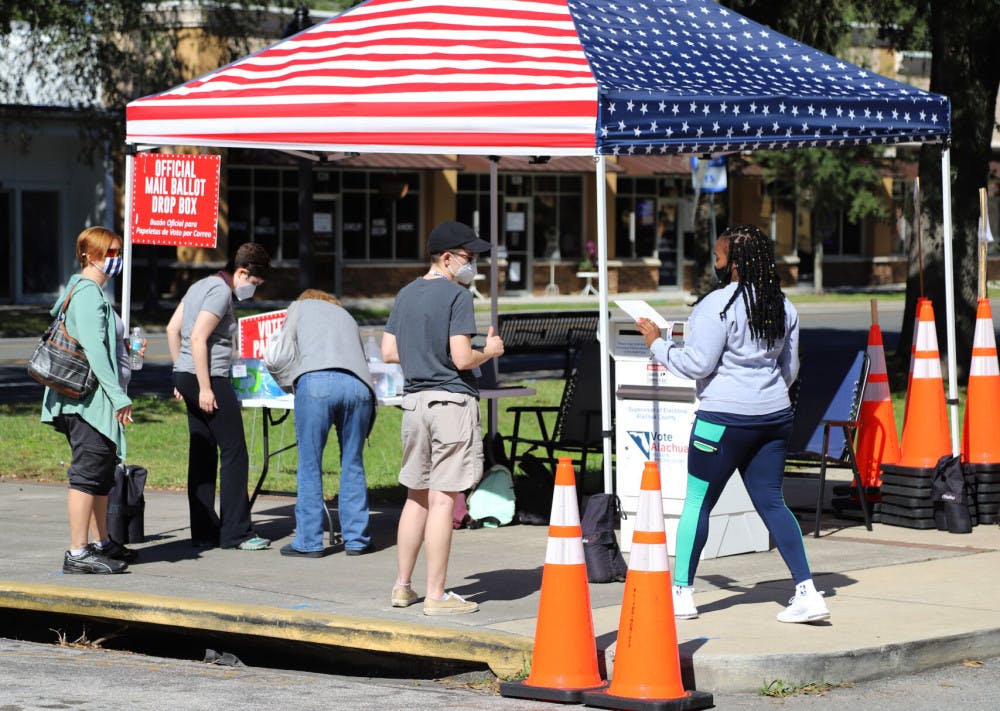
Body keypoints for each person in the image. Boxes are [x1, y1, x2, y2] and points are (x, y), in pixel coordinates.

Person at [635, 224, 829, 624]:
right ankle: (807, 591)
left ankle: (682, 593)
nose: (715, 264)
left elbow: (697, 364)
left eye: (719, 258)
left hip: (721, 421)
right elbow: (789, 369)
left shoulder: (716, 305)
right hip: (774, 417)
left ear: (736, 264)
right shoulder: (783, 306)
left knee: (697, 502)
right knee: (772, 502)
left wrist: (656, 342)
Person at [381, 221, 504, 616]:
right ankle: (436, 594)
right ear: (447, 258)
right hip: (451, 402)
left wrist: (422, 353)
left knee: (415, 495)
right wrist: (490, 350)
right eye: (469, 258)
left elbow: (388, 351)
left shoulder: (405, 293)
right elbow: (462, 358)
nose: (474, 265)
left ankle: (403, 586)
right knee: (442, 499)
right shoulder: (457, 296)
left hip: (414, 403)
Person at [42, 226, 137, 574]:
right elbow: (95, 351)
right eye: (111, 252)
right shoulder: (86, 295)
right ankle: (77, 553)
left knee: (100, 476)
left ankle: (100, 542)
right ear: (90, 256)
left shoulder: (93, 294)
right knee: (86, 476)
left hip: (92, 403)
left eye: (118, 252)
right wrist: (118, 397)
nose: (117, 259)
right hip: (87, 403)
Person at [166, 242, 271, 551]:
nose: (253, 290)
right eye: (253, 283)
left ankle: (204, 529)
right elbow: (198, 337)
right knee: (234, 451)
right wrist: (205, 387)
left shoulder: (199, 286)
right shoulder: (222, 292)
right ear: (241, 272)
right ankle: (236, 532)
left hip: (187, 374)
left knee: (203, 451)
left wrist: (179, 373)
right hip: (208, 377)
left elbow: (173, 329)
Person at [276, 289, 377, 558]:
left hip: (316, 382)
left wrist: (287, 383)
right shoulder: (347, 315)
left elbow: (279, 352)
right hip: (358, 385)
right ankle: (357, 539)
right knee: (352, 462)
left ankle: (309, 541)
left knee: (310, 463)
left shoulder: (298, 308)